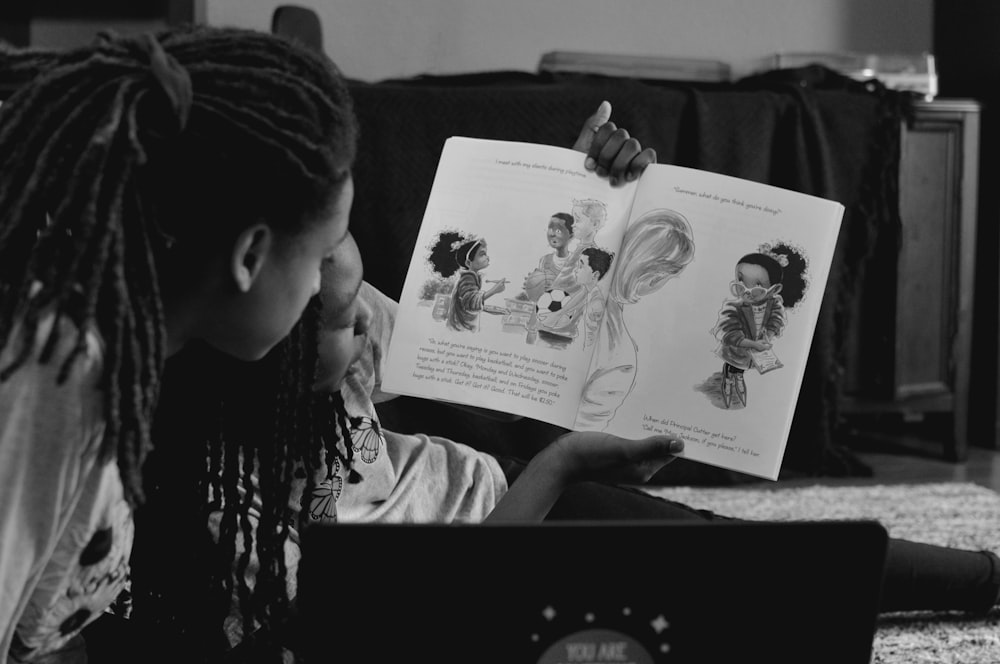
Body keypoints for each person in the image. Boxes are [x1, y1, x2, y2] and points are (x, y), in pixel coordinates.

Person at [0, 26, 674, 664]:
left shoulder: (148, 330)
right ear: (250, 256)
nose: (342, 283)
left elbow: (483, 342)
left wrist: (580, 198)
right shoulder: (65, 384)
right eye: (323, 251)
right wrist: (556, 468)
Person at [575, 208, 697, 430]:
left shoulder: (574, 277)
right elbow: (586, 429)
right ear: (654, 278)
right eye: (668, 278)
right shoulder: (620, 357)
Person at [427, 231, 506, 332]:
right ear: (469, 262)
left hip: (465, 323)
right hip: (462, 326)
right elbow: (470, 301)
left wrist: (495, 310)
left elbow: (472, 302)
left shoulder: (472, 277)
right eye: (482, 254)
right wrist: (494, 291)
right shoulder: (468, 278)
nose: (487, 257)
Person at [521, 211, 574, 303]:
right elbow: (539, 293)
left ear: (571, 236)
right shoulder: (545, 260)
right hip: (545, 309)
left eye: (558, 231)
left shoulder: (577, 261)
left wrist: (554, 285)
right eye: (550, 229)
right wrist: (532, 285)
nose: (552, 234)